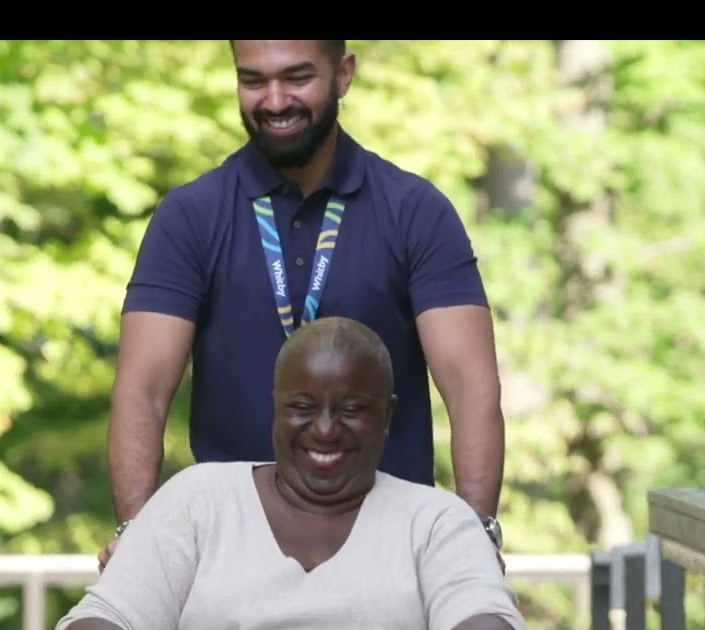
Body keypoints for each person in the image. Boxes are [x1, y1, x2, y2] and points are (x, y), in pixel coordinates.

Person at [104, 40, 505, 569]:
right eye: (253, 80)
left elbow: (471, 389)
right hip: (229, 555)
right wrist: (135, 536)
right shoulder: (189, 217)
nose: (274, 101)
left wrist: (476, 536)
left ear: (344, 75)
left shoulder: (416, 212)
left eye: (296, 78)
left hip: (391, 553)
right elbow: (143, 391)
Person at [53, 317, 529, 630]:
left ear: (387, 415)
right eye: (302, 408)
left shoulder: (433, 520)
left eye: (352, 410)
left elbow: (491, 623)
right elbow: (93, 626)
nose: (325, 429)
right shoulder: (200, 499)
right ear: (276, 408)